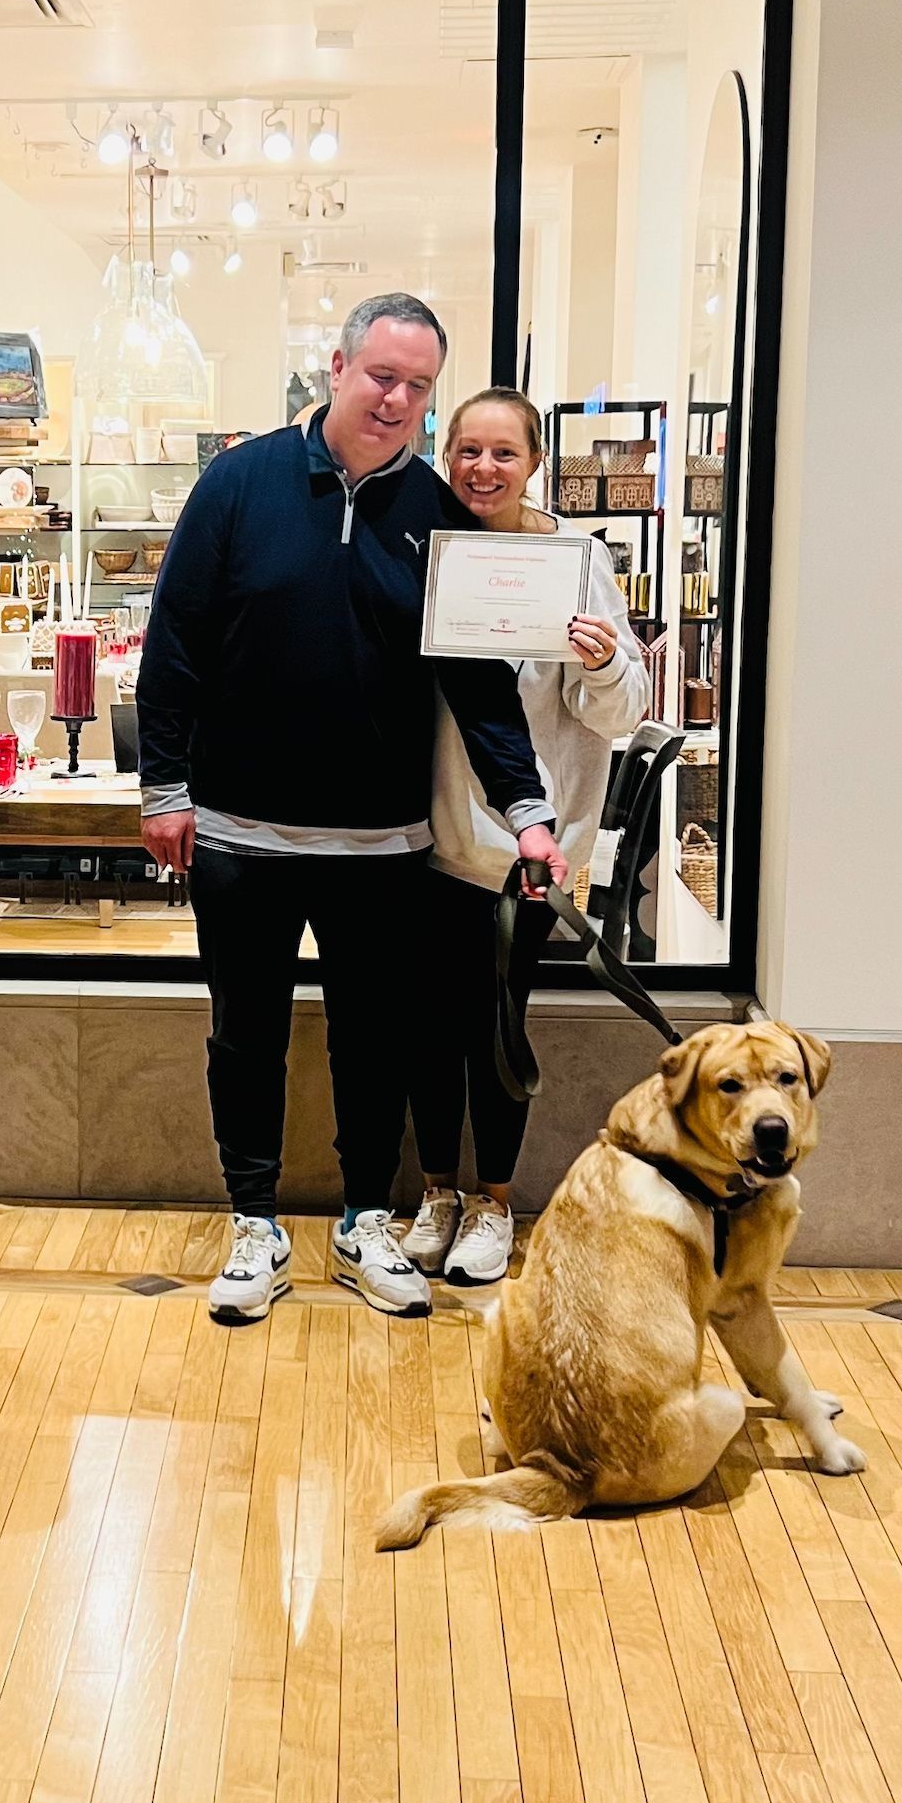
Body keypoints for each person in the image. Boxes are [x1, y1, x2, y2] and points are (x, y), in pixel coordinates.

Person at [137, 296, 568, 1324]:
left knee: (372, 1042)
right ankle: (253, 1223)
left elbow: (478, 686)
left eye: (418, 386)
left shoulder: (438, 516)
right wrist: (163, 788)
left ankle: (365, 1218)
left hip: (382, 844)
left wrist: (527, 811)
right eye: (381, 376)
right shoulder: (237, 483)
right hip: (238, 831)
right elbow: (175, 637)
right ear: (334, 367)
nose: (396, 400)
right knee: (243, 1036)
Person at [403, 387, 647, 1287]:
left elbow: (620, 713)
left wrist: (602, 661)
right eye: (467, 451)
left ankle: (495, 1201)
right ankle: (437, 1192)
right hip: (424, 835)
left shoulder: (577, 562)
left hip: (525, 850)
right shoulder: (428, 552)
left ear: (536, 463)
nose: (483, 469)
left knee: (496, 1029)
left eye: (504, 453)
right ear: (446, 458)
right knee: (428, 1029)